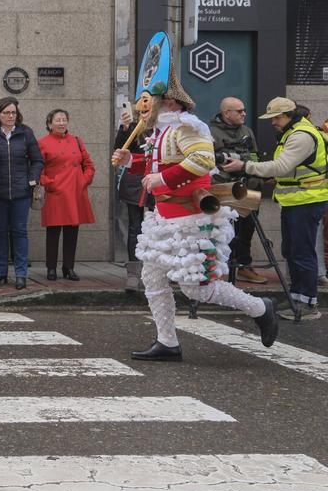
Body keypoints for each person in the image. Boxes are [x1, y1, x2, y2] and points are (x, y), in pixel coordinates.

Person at [113, 73, 278, 360]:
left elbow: (202, 161)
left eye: (148, 101)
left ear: (170, 103)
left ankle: (261, 308)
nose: (143, 107)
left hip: (190, 219)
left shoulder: (187, 127)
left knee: (196, 289)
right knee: (152, 278)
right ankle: (167, 342)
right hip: (163, 218)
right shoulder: (162, 130)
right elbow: (159, 163)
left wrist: (161, 179)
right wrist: (132, 161)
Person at [221, 96, 328, 320]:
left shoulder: (301, 136)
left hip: (306, 201)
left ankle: (307, 304)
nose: (272, 122)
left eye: (276, 117)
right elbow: (291, 169)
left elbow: (281, 166)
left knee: (302, 252)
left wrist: (245, 166)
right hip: (296, 201)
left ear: (289, 115)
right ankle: (297, 297)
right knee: (291, 251)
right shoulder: (293, 132)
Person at [209, 96, 267, 284]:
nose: (244, 114)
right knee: (219, 231)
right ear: (226, 113)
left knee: (247, 230)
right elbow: (208, 162)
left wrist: (253, 173)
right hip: (223, 189)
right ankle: (212, 271)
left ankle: (244, 266)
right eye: (239, 111)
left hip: (248, 188)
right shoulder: (210, 132)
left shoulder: (247, 131)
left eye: (244, 110)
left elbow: (254, 157)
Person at [0, 97, 43, 290]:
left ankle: (21, 275)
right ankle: (0, 273)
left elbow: (37, 160)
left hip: (21, 193)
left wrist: (32, 179)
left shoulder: (25, 133)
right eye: (6, 113)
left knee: (20, 232)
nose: (10, 116)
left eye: (13, 113)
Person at [38, 108, 95, 282]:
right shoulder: (42, 143)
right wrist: (50, 183)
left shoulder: (77, 141)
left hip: (75, 191)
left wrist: (83, 181)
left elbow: (89, 165)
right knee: (53, 232)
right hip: (56, 193)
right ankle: (51, 268)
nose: (62, 123)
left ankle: (69, 267)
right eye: (58, 120)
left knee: (72, 231)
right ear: (49, 124)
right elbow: (37, 169)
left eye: (64, 119)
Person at [115, 94, 151, 263]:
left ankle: (156, 267)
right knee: (135, 226)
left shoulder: (167, 128)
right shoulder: (135, 127)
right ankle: (134, 269)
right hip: (135, 182)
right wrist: (125, 128)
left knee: (158, 226)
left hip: (160, 182)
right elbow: (119, 149)